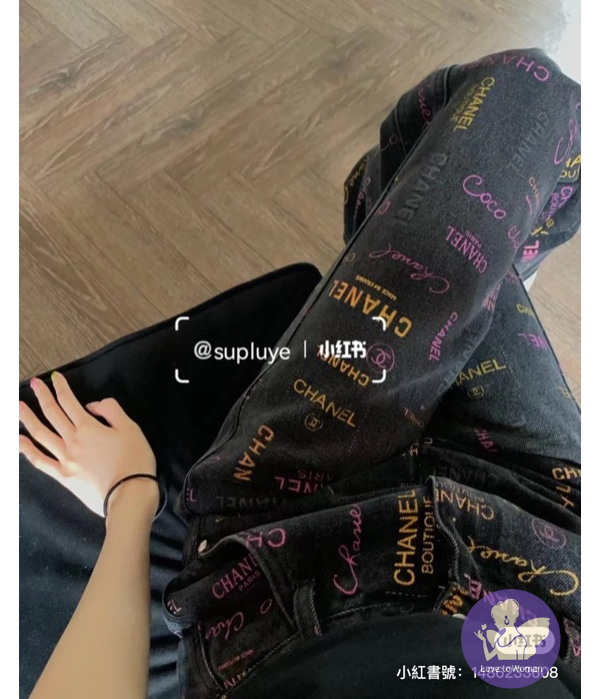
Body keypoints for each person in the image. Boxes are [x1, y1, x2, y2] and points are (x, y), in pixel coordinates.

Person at [19, 48, 581, 698]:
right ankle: (475, 265)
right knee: (507, 122)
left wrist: (130, 495)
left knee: (518, 97)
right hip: (544, 558)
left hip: (293, 541)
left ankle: (459, 258)